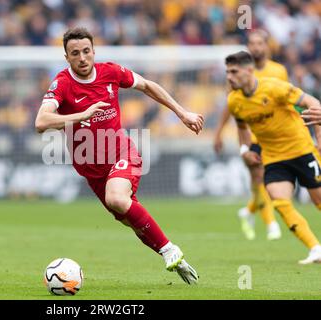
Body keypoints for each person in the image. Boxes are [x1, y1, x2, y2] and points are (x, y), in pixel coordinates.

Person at [35, 27, 204, 284]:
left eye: (86, 51)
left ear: (94, 51)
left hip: (122, 154)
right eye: (75, 53)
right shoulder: (62, 84)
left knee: (116, 198)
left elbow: (147, 85)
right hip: (93, 172)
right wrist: (81, 115)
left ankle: (171, 249)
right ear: (66, 57)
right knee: (131, 219)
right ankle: (168, 254)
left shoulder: (110, 72)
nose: (82, 58)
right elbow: (41, 121)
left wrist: (182, 113)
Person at [226, 51, 321, 264]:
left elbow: (312, 102)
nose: (229, 77)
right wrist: (245, 149)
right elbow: (241, 127)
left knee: (318, 200)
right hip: (273, 157)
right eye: (227, 72)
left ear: (249, 70)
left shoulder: (275, 87)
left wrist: (319, 137)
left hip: (301, 150)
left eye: (234, 71)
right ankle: (315, 249)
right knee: (280, 200)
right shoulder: (234, 101)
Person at [213, 30, 286, 241]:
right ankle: (272, 225)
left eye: (259, 43)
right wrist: (218, 133)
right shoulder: (236, 74)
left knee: (269, 182)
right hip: (250, 137)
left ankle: (248, 211)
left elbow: (286, 103)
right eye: (251, 43)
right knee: (259, 177)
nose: (255, 47)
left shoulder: (279, 71)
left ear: (267, 46)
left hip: (275, 136)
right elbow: (230, 106)